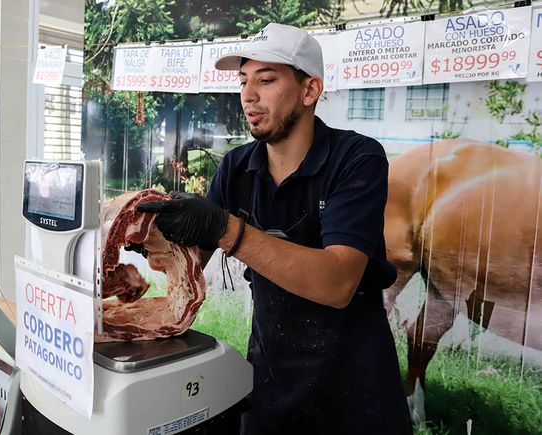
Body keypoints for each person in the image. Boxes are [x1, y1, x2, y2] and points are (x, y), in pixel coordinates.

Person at [137, 23, 412, 434]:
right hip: (269, 382)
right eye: (244, 81)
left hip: (355, 392)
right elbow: (188, 261)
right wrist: (143, 236)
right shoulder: (236, 167)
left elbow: (338, 282)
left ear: (309, 90)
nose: (248, 95)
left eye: (266, 80)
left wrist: (227, 230)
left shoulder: (356, 159)